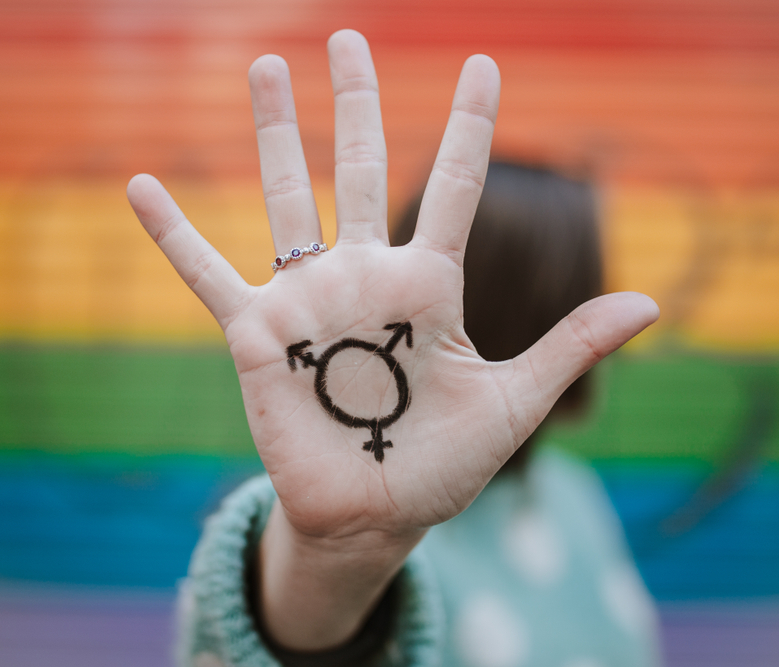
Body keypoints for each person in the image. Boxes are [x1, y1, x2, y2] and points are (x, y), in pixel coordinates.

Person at [126, 29, 661, 667]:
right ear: (538, 309)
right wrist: (334, 560)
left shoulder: (573, 496)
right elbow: (267, 639)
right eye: (590, 283)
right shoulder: (359, 503)